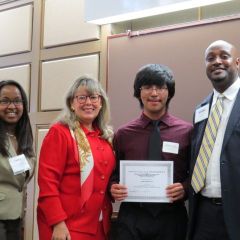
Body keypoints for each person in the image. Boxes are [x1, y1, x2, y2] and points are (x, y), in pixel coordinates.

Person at [110, 64, 193, 240]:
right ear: (139, 92)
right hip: (132, 217)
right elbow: (113, 173)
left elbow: (196, 174)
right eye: (147, 87)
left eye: (161, 87)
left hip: (172, 218)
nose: (154, 93)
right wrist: (113, 187)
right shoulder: (123, 134)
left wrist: (185, 189)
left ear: (169, 92)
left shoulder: (187, 132)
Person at [37, 76, 115, 240]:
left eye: (94, 97)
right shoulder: (60, 132)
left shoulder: (105, 138)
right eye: (81, 97)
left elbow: (105, 180)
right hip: (68, 227)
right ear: (71, 104)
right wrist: (58, 222)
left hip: (99, 226)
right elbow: (47, 183)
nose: (88, 102)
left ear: (101, 103)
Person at [188, 40, 240, 240]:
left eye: (224, 56)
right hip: (203, 213)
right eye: (210, 58)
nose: (217, 62)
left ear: (237, 62)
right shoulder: (201, 108)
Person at [0, 80, 35, 240]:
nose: (12, 106)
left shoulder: (23, 138)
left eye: (17, 101)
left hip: (16, 219)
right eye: (5, 101)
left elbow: (21, 180)